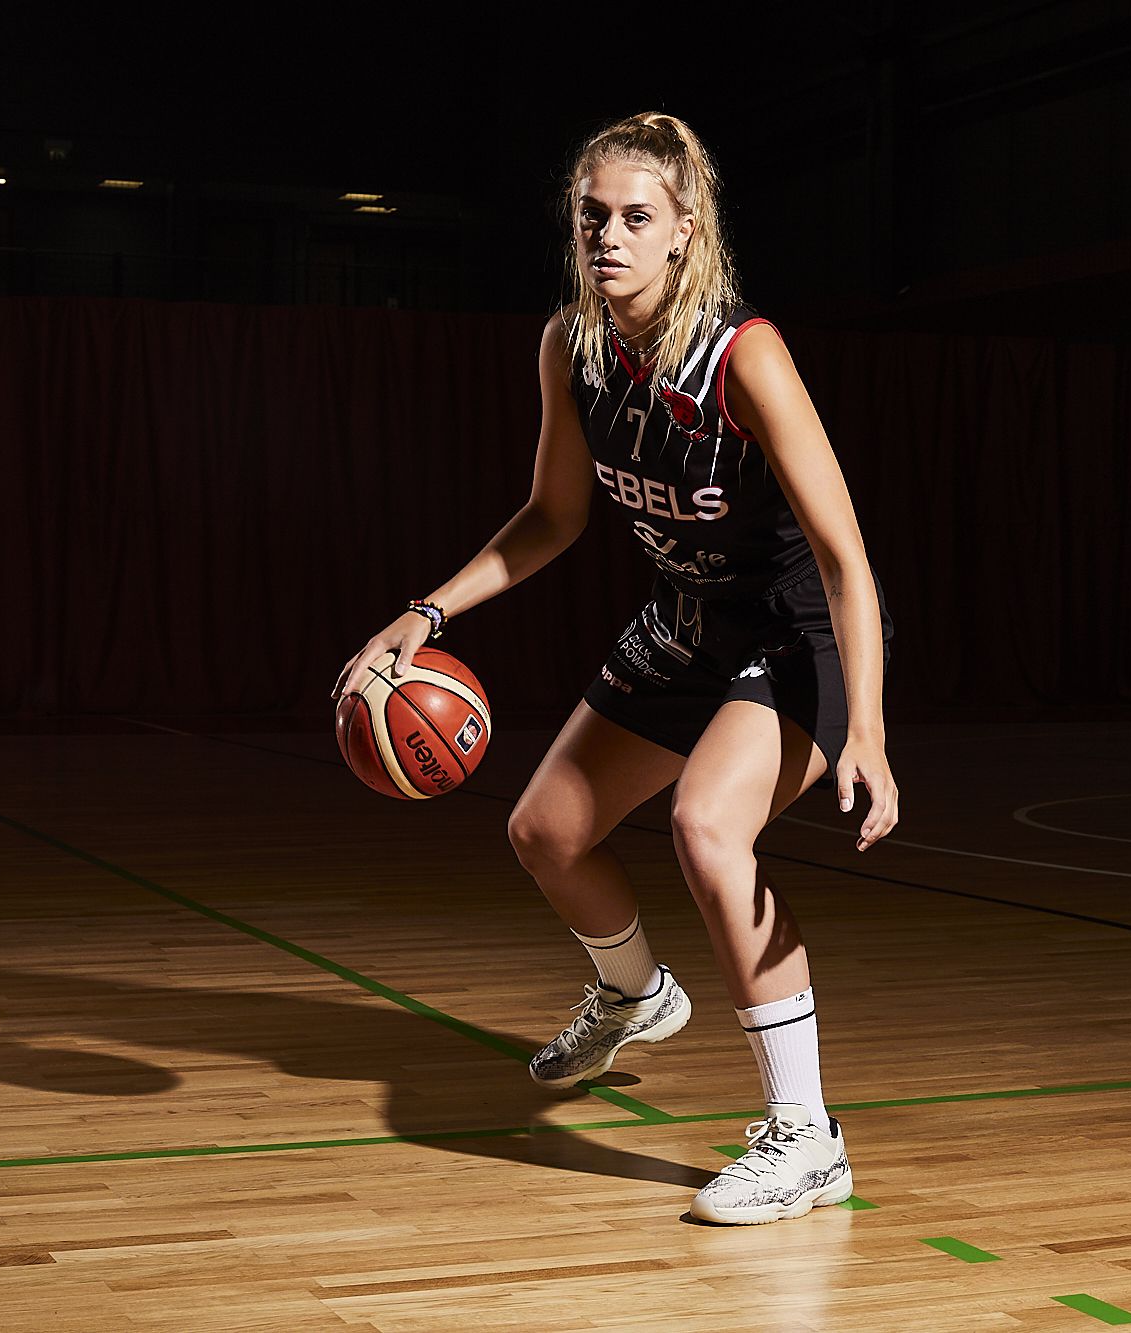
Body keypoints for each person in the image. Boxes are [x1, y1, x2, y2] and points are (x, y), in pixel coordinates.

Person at [331, 111, 897, 1225]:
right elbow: (550, 518)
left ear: (685, 230)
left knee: (704, 827)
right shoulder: (572, 345)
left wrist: (865, 724)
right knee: (542, 831)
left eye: (637, 217)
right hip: (688, 623)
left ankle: (804, 1136)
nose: (609, 236)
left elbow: (844, 555)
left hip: (793, 636)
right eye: (592, 216)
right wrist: (425, 611)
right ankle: (636, 995)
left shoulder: (744, 355)